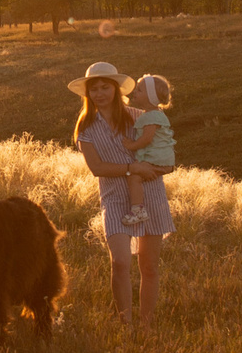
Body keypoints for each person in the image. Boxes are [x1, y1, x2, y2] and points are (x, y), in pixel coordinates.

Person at [70, 61, 168, 327]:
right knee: (121, 262)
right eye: (94, 89)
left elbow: (164, 150)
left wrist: (153, 168)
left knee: (149, 266)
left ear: (115, 89)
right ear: (87, 94)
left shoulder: (139, 116)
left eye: (105, 87)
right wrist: (130, 168)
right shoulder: (86, 128)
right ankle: (126, 324)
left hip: (150, 193)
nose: (100, 94)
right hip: (114, 197)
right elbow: (97, 168)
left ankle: (145, 326)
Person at [117, 73, 176, 226]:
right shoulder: (154, 114)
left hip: (157, 159)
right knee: (137, 176)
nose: (135, 92)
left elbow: (147, 138)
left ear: (151, 97)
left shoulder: (151, 117)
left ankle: (138, 210)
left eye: (140, 90)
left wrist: (131, 145)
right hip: (162, 159)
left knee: (134, 176)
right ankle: (139, 209)